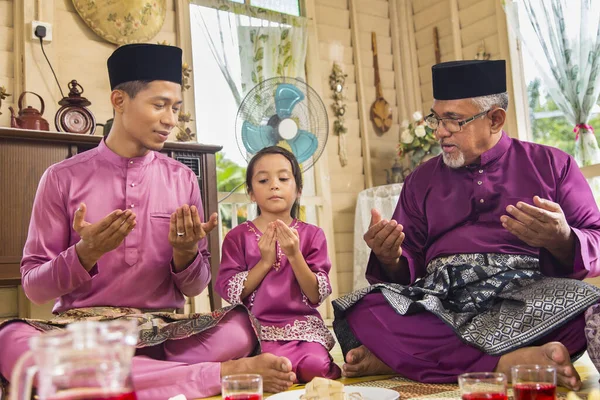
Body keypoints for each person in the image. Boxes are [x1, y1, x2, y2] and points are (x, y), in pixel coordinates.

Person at [0, 44, 296, 399]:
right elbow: (34, 287)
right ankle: (213, 376)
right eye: (159, 105)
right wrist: (85, 253)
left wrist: (185, 254)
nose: (171, 119)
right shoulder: (61, 178)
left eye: (175, 108)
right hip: (85, 335)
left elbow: (194, 288)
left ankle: (131, 378)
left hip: (165, 335)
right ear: (119, 100)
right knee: (10, 341)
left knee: (238, 328)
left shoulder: (182, 179)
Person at [332, 60, 600, 391]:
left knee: (585, 306)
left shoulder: (552, 165)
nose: (440, 131)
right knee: (366, 308)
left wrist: (562, 238)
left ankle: (401, 358)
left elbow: (595, 236)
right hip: (443, 298)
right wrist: (390, 257)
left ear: (495, 119)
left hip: (525, 296)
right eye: (436, 118)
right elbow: (407, 262)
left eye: (453, 120)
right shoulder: (422, 180)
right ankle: (507, 363)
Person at [216, 146, 342, 383]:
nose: (274, 185)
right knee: (265, 366)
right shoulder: (237, 237)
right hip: (254, 330)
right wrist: (264, 262)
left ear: (298, 190)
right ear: (251, 192)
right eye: (263, 180)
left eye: (283, 178)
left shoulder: (313, 235)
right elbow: (232, 293)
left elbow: (316, 294)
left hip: (303, 331)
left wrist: (295, 255)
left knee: (317, 368)